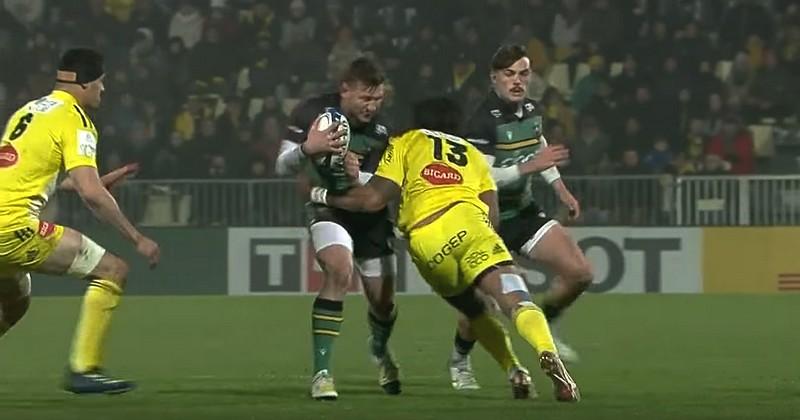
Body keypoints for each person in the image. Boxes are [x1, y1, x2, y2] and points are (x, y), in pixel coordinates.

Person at [307, 97, 580, 402]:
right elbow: (493, 215)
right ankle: (546, 352)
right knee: (514, 298)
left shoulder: (406, 142)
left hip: (428, 240)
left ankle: (515, 369)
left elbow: (372, 200)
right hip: (471, 224)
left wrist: (323, 195)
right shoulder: (473, 154)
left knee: (474, 309)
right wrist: (490, 248)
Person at [0, 48, 160, 394]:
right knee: (113, 270)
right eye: (101, 83)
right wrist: (137, 238)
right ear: (86, 83)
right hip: (12, 228)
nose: (103, 90)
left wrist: (97, 183)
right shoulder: (75, 119)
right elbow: (90, 194)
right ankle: (84, 369)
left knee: (16, 300)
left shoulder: (29, 111)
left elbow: (35, 175)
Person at [451, 44, 593, 390]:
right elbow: (482, 178)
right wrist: (531, 166)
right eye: (509, 74)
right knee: (482, 307)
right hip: (487, 220)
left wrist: (560, 189)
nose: (517, 81)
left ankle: (546, 323)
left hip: (523, 213)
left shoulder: (531, 109)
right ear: (494, 78)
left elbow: (537, 146)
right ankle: (459, 359)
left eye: (523, 74)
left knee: (580, 273)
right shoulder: (481, 120)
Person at [275, 57, 400, 400]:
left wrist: (357, 175)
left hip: (370, 216)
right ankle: (322, 374)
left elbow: (379, 189)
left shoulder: (384, 130)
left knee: (383, 304)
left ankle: (379, 347)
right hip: (328, 208)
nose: (372, 106)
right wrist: (308, 149)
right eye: (365, 98)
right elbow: (282, 165)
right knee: (339, 270)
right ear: (345, 89)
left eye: (378, 99)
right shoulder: (310, 113)